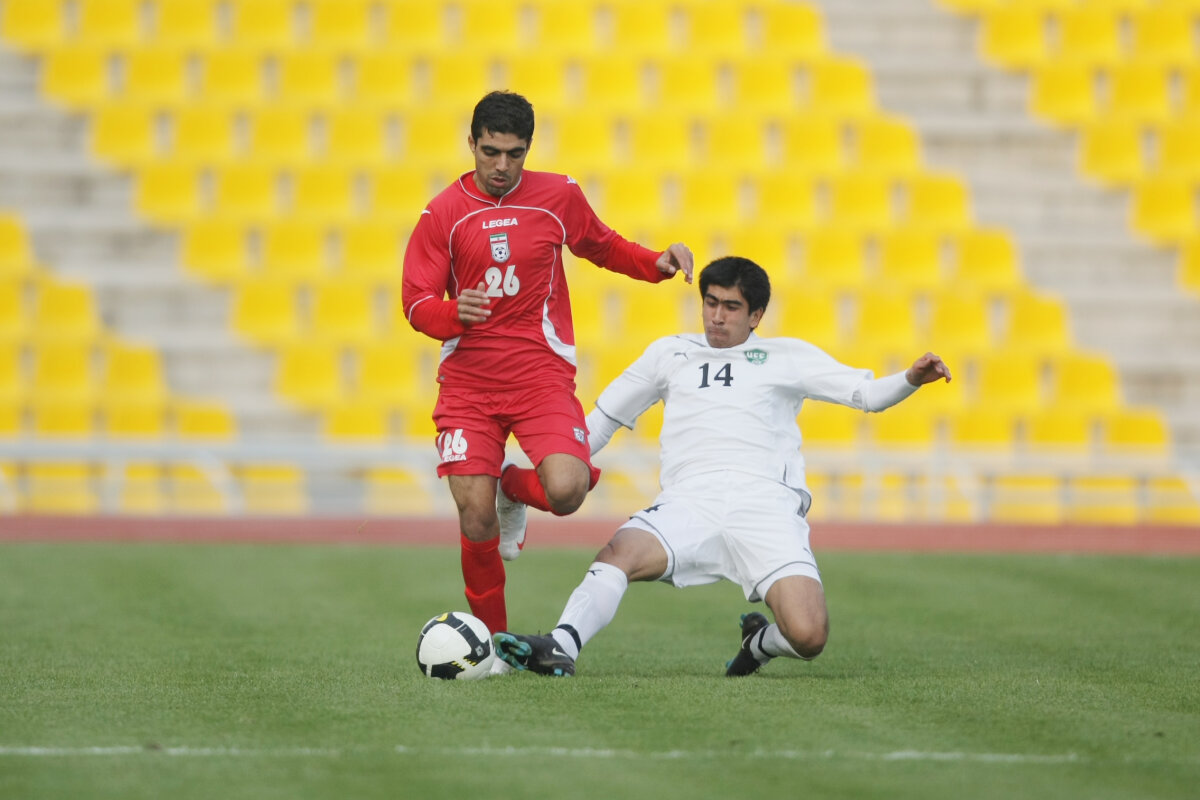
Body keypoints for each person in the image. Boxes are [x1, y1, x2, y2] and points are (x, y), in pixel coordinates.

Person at [493, 256, 952, 677]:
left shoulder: (787, 356)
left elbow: (866, 396)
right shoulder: (669, 353)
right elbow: (601, 422)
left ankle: (760, 644)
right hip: (689, 501)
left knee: (809, 635)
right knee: (618, 554)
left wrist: (911, 378)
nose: (717, 315)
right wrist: (556, 469)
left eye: (731, 307)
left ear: (756, 316)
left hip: (766, 506)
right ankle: (561, 646)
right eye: (710, 302)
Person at [400, 91, 694, 651]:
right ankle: (495, 645)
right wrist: (452, 312)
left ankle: (512, 487)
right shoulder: (442, 214)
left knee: (567, 490)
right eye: (490, 152)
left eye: (514, 154)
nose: (502, 165)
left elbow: (601, 245)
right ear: (471, 144)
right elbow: (415, 303)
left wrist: (654, 264)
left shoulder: (558, 195)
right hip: (468, 384)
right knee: (474, 516)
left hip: (540, 376)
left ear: (528, 148)